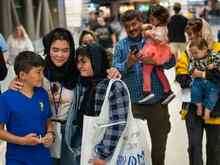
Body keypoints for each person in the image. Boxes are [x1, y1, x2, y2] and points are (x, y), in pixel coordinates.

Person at [112, 9, 175, 165]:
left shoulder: (154, 38)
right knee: (134, 148)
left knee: (159, 147)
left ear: (141, 21)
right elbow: (115, 70)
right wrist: (128, 63)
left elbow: (171, 62)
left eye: (134, 24)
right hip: (134, 105)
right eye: (128, 26)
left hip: (157, 103)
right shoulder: (120, 46)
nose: (132, 28)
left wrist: (156, 62)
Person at [66, 43, 129, 165]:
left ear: (96, 61)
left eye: (83, 62)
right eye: (78, 62)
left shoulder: (113, 86)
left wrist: (102, 155)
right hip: (85, 146)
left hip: (103, 153)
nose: (79, 66)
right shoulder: (85, 84)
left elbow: (118, 123)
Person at [176, 18, 220, 165]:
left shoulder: (218, 49)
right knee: (194, 146)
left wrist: (200, 75)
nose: (191, 38)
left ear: (204, 32)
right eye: (189, 35)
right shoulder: (187, 53)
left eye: (194, 34)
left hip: (216, 107)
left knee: (215, 147)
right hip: (192, 107)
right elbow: (181, 77)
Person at [0, 51, 54, 165]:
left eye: (42, 72)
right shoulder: (6, 98)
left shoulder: (42, 94)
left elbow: (48, 120)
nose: (42, 76)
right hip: (17, 159)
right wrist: (22, 141)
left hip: (42, 157)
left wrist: (50, 133)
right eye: (38, 72)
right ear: (23, 75)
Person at [138, 5, 175, 103]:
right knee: (159, 72)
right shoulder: (158, 26)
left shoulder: (162, 29)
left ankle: (147, 92)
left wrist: (150, 34)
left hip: (155, 52)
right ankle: (168, 90)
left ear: (160, 18)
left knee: (146, 71)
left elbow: (159, 41)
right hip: (157, 52)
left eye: (152, 19)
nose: (151, 21)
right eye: (149, 19)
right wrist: (149, 28)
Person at [189, 39, 220, 120]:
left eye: (196, 53)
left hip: (212, 82)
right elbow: (190, 68)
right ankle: (198, 105)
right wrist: (192, 71)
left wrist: (214, 64)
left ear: (205, 49)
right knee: (194, 90)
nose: (194, 55)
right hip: (198, 80)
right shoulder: (194, 59)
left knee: (213, 95)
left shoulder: (213, 55)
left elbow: (219, 60)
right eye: (192, 53)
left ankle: (207, 110)